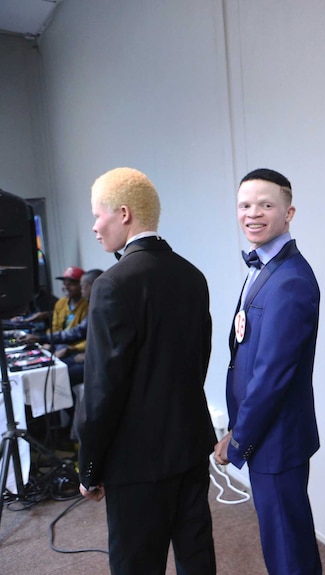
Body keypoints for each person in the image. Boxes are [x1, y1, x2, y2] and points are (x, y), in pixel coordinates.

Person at [77, 167, 216, 574]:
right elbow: (198, 362)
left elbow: (103, 388)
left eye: (97, 215)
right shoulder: (193, 276)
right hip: (190, 447)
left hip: (135, 462)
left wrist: (90, 466)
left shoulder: (113, 285)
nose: (94, 227)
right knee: (196, 561)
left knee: (137, 565)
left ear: (123, 213)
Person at [214, 168, 322, 575]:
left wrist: (241, 437)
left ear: (288, 211)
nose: (252, 213)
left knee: (287, 549)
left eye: (265, 205)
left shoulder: (290, 278)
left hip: (276, 440)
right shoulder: (262, 267)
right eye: (245, 205)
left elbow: (272, 375)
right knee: (283, 541)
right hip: (265, 434)